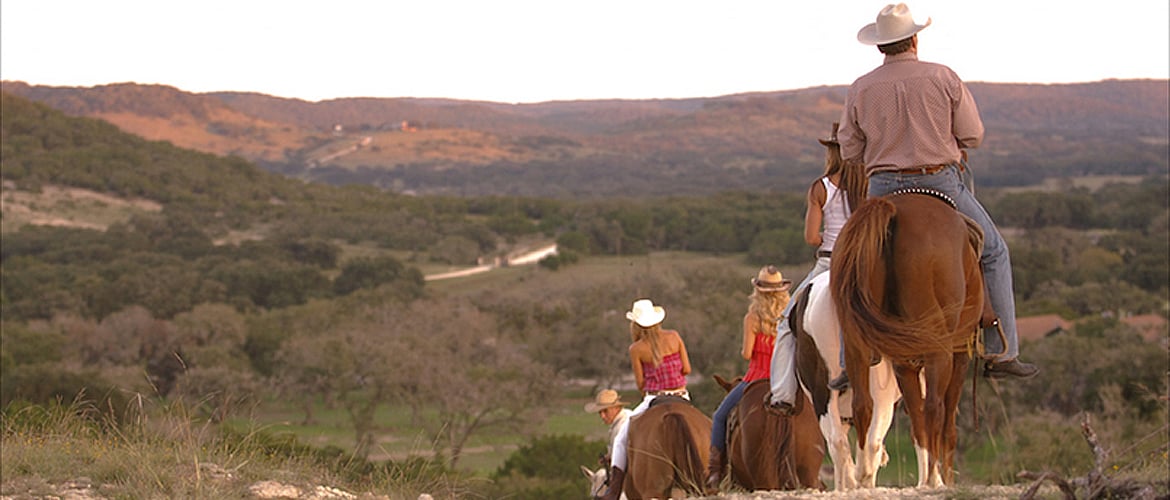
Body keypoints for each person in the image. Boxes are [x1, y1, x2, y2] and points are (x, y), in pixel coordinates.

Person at [837, 3, 1037, 379]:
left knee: (849, 261)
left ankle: (852, 360)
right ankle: (1001, 351)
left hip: (881, 188)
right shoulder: (943, 77)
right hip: (939, 182)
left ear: (881, 47)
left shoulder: (860, 88)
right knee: (994, 251)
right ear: (914, 38)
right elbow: (973, 135)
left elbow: (849, 150)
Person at [768, 122, 867, 414]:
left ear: (833, 152)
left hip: (829, 264)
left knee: (786, 323)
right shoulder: (871, 184)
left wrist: (827, 236)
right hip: (862, 262)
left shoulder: (821, 188)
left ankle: (783, 395)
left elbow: (811, 237)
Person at [705, 266, 792, 491]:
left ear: (758, 290)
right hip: (785, 379)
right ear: (782, 290)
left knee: (720, 417)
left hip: (755, 379)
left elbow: (746, 353)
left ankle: (715, 472)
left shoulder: (752, 318)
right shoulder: (789, 313)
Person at [599, 299, 692, 500]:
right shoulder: (674, 337)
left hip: (654, 398)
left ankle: (614, 490)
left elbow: (641, 383)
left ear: (636, 324)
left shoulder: (636, 348)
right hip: (682, 395)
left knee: (621, 440)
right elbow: (687, 369)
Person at [584, 388, 631, 466]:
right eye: (600, 412)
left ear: (617, 408)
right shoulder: (627, 415)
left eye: (605, 411)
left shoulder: (621, 427)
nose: (602, 416)